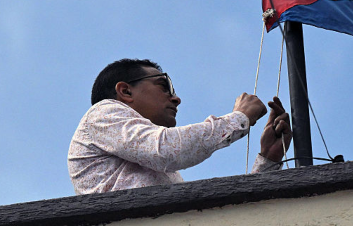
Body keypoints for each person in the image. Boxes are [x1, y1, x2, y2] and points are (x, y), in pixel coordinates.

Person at [68, 58, 292, 194]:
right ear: (126, 91)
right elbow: (167, 150)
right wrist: (238, 118)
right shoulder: (102, 114)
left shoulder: (154, 166)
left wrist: (268, 161)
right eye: (164, 86)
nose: (176, 99)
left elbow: (216, 223)